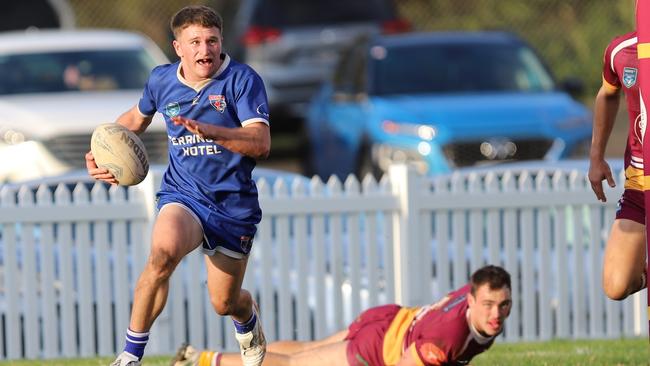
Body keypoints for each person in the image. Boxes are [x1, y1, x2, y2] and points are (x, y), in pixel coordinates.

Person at [85, 5, 270, 366]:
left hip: (232, 206)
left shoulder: (242, 80)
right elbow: (133, 120)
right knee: (163, 253)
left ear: (221, 43)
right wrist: (99, 152)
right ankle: (130, 356)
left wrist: (215, 131)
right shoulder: (161, 80)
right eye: (196, 42)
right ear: (178, 47)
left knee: (223, 302)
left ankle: (246, 314)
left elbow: (260, 144)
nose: (205, 50)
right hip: (183, 195)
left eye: (212, 41)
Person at [170, 265, 512, 366]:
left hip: (388, 318)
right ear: (471, 299)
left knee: (308, 350)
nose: (496, 314)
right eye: (488, 305)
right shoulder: (447, 338)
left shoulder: (472, 297)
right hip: (376, 346)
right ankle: (196, 362)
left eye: (503, 305)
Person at [588, 30, 648, 301]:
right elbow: (607, 94)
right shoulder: (620, 50)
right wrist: (596, 155)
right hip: (639, 182)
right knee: (616, 284)